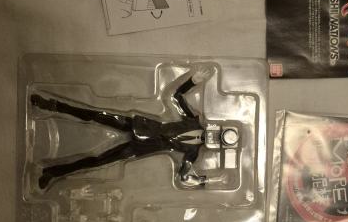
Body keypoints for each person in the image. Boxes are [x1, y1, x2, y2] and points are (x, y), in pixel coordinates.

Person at [31, 67, 213, 190]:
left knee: (97, 161)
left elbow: (183, 176)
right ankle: (52, 105)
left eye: (221, 141)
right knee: (94, 114)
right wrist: (193, 81)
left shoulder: (193, 153)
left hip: (140, 148)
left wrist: (204, 180)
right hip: (140, 126)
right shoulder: (193, 120)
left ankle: (53, 172)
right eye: (219, 134)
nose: (215, 138)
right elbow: (176, 96)